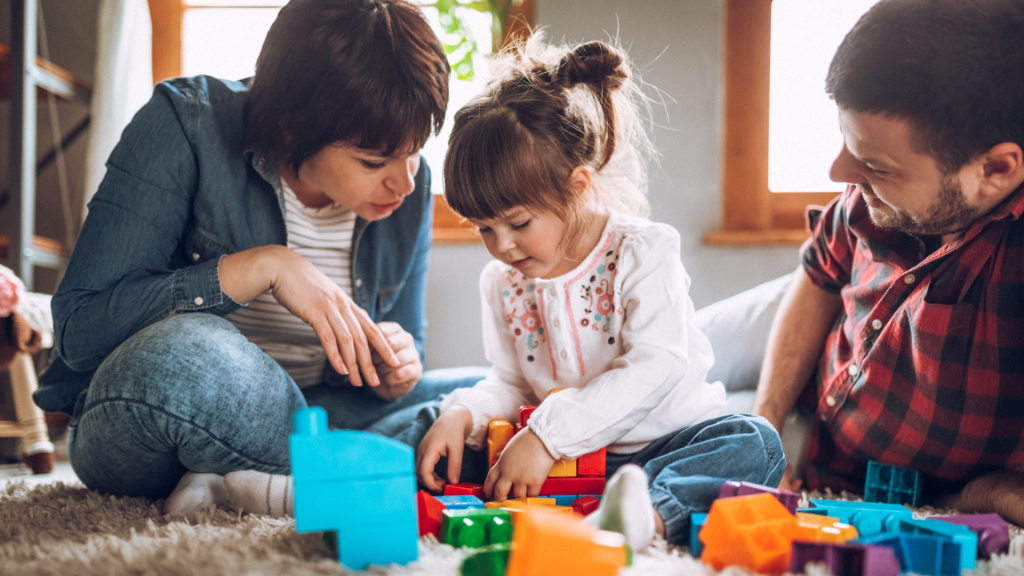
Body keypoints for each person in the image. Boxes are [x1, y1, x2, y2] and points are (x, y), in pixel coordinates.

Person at [36, 0, 485, 514]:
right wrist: (263, 266)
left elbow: (404, 350)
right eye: (373, 160)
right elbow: (80, 329)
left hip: (320, 409)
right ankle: (348, 470)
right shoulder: (188, 123)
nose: (405, 182)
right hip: (163, 409)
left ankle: (245, 481)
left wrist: (394, 372)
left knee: (483, 395)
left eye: (416, 151)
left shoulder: (409, 185)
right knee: (188, 353)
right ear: (290, 128)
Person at [414, 36, 786, 552]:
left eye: (518, 223)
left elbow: (658, 364)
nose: (500, 246)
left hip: (663, 446)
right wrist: (466, 414)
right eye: (483, 229)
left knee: (755, 443)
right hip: (564, 461)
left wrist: (547, 436)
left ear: (579, 186)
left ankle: (645, 514)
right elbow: (509, 381)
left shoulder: (643, 251)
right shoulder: (502, 283)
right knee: (440, 426)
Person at [749, 0, 1024, 525]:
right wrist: (766, 425)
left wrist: (985, 494)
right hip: (811, 388)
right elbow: (816, 279)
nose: (838, 171)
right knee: (674, 369)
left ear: (995, 169)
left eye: (874, 163)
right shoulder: (868, 195)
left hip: (896, 481)